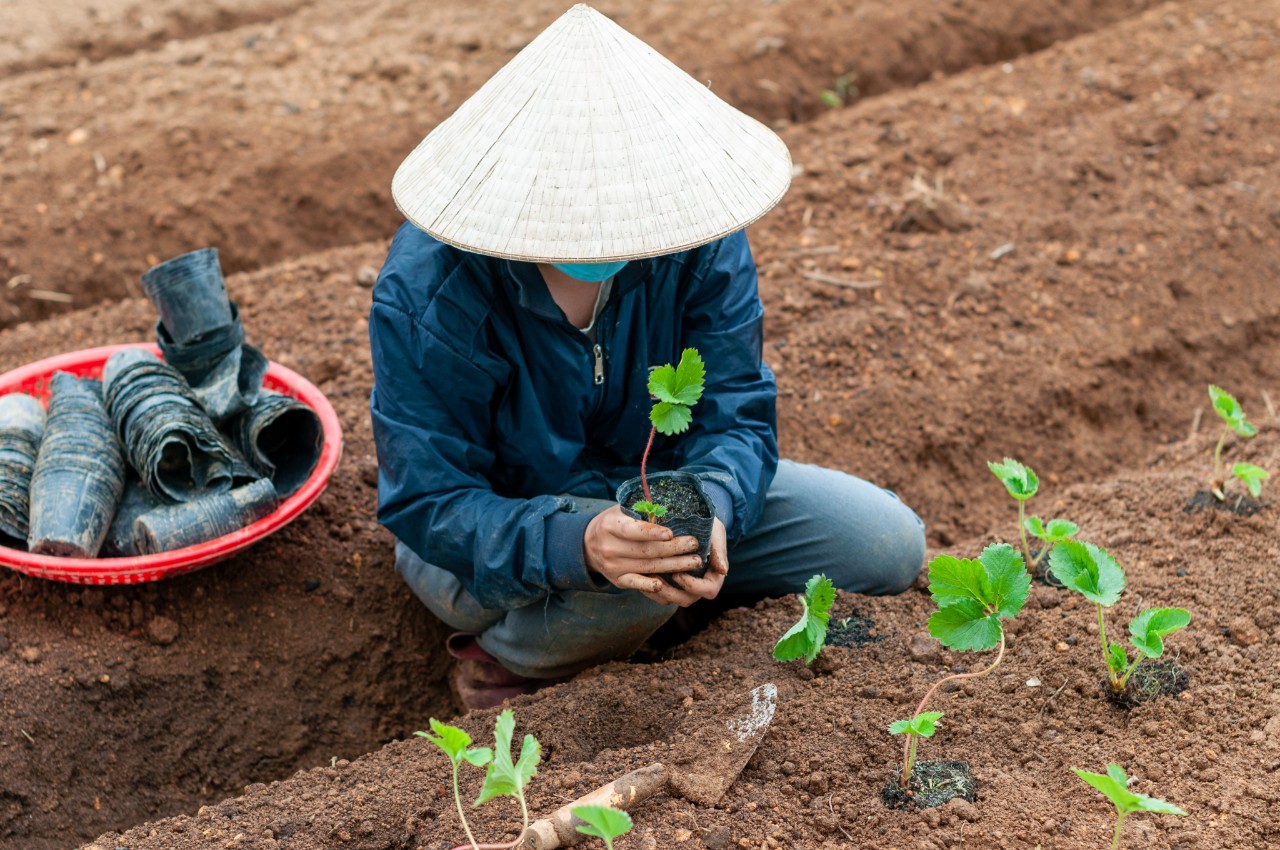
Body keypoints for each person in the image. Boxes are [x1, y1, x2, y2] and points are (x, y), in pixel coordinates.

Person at [369, 4, 925, 710]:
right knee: (633, 586)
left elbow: (737, 415)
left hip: (659, 489)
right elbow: (430, 502)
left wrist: (716, 504)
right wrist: (581, 543)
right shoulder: (431, 291)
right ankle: (509, 658)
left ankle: (658, 602)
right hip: (495, 532)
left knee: (885, 542)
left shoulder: (697, 237)